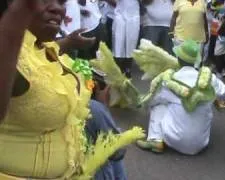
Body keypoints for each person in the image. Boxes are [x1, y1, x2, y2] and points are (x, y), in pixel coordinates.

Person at [0, 1, 142, 179]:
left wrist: (69, 42)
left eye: (61, 1)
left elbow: (51, 54)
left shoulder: (44, 46)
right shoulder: (12, 54)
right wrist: (16, 18)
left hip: (75, 167)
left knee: (97, 114)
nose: (57, 8)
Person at [136, 40, 225, 155]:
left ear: (178, 59)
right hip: (201, 143)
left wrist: (143, 103)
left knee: (158, 104)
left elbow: (152, 101)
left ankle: (155, 140)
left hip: (175, 140)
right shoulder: (209, 78)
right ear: (196, 60)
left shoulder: (170, 79)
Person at [169, 0, 209, 67]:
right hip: (180, 38)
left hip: (198, 39)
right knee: (181, 63)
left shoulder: (202, 2)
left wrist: (207, 33)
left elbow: (204, 19)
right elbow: (174, 17)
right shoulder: (179, 1)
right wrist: (171, 31)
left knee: (196, 64)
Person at [112, 0, 140, 78]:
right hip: (119, 14)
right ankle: (118, 68)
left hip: (133, 16)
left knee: (131, 42)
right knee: (118, 42)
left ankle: (128, 68)